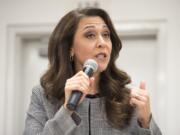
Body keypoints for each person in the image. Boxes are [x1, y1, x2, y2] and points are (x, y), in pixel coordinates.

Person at [23, 7, 162, 135]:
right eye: (90, 35)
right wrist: (66, 111)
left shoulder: (128, 98)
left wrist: (146, 122)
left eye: (106, 34)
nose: (102, 42)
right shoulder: (42, 96)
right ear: (70, 47)